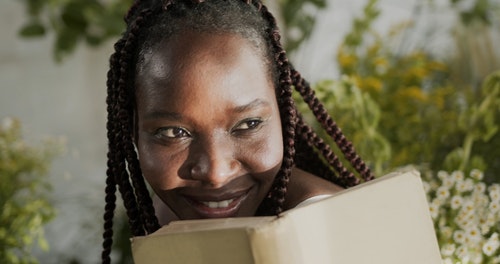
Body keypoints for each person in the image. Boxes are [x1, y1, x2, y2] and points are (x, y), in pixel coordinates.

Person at [101, 0, 374, 262]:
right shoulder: (170, 209)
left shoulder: (314, 232)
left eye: (248, 125)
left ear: (283, 112)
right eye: (173, 133)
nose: (216, 173)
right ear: (132, 130)